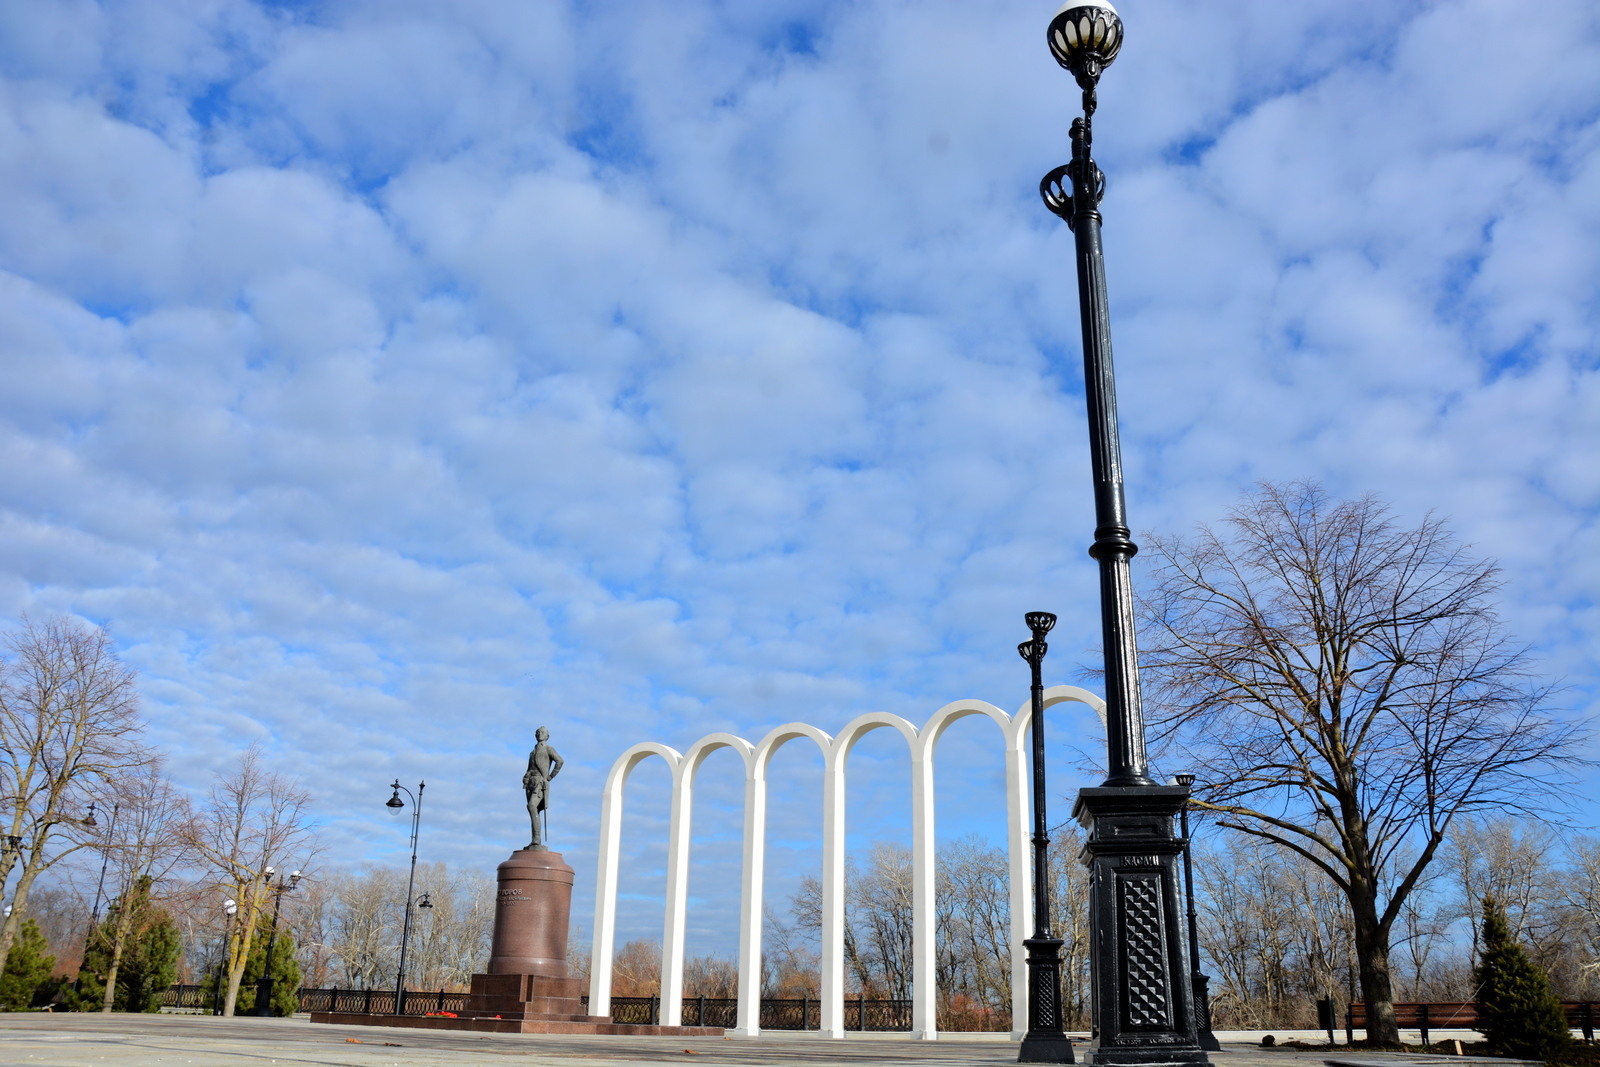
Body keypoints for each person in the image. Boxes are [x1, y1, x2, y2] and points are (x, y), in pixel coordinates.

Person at [523, 726, 563, 849]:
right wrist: (525, 777)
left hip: (541, 781)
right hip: (530, 782)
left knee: (532, 806)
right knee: (533, 810)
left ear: (547, 736)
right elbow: (530, 768)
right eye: (538, 732)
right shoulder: (532, 752)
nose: (540, 734)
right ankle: (535, 839)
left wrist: (550, 776)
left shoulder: (548, 749)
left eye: (543, 732)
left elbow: (559, 761)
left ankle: (536, 837)